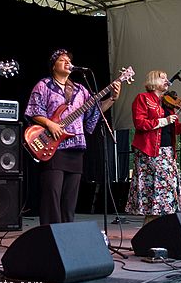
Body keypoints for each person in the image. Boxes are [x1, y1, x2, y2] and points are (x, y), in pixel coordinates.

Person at [24, 49, 121, 225]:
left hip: (76, 147)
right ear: (54, 66)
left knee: (70, 197)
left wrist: (113, 98)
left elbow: (96, 111)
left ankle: (67, 232)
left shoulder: (80, 89)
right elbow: (33, 111)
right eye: (62, 60)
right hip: (53, 147)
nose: (67, 62)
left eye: (69, 60)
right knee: (52, 192)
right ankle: (50, 233)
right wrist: (50, 124)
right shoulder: (44, 85)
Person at [125, 70, 181, 224]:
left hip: (167, 153)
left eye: (166, 78)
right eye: (162, 78)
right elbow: (140, 123)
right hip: (149, 153)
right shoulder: (143, 98)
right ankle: (149, 233)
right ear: (153, 81)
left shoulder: (167, 104)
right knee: (154, 196)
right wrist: (164, 120)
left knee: (167, 195)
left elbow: (175, 129)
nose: (166, 80)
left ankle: (159, 233)